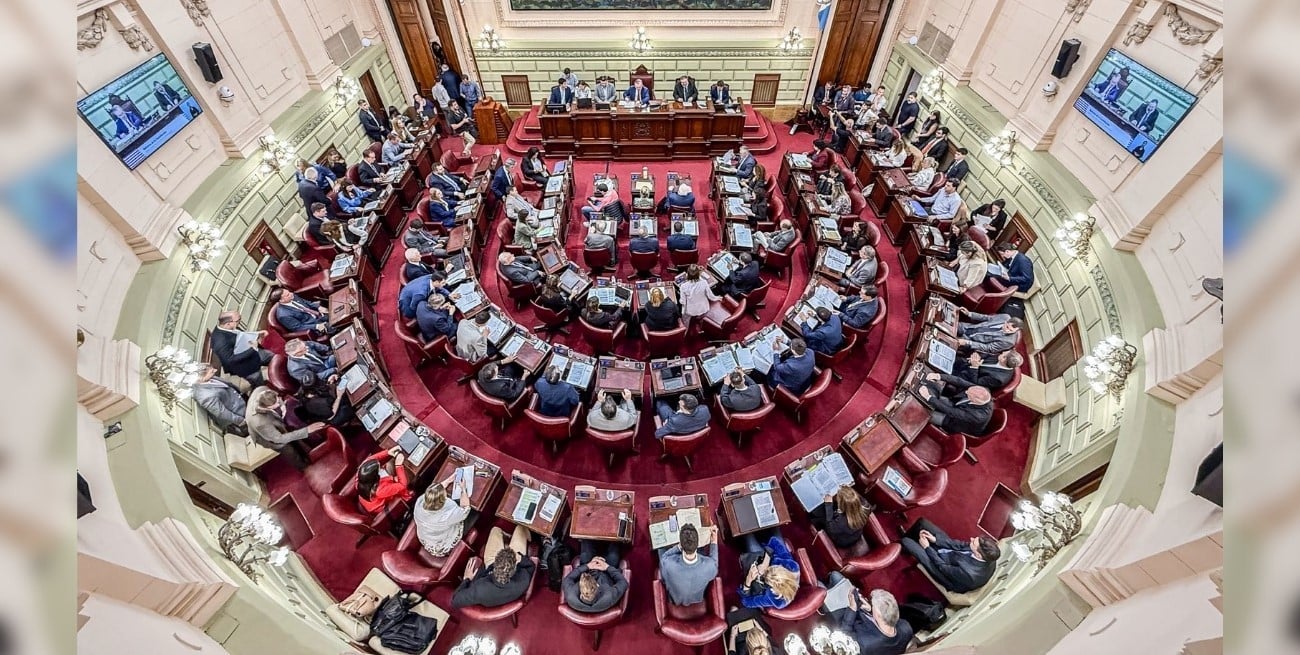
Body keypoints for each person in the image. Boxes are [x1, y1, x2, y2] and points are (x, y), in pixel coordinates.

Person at [900, 518, 999, 593]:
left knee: (907, 542)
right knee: (922, 523)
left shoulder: (968, 573)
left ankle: (902, 545)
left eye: (973, 542)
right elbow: (959, 545)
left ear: (978, 554)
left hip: (945, 573)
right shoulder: (989, 554)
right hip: (953, 558)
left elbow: (942, 567)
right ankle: (909, 537)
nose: (971, 539)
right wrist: (935, 539)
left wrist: (927, 547)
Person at [451, 524, 535, 609]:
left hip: (489, 575)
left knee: (495, 530)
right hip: (508, 568)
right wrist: (520, 558)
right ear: (514, 568)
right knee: (520, 527)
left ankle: (507, 540)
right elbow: (530, 566)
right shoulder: (522, 581)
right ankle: (527, 539)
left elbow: (455, 601)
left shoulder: (479, 590)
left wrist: (466, 579)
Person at [245, 387, 322, 469]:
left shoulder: (262, 389)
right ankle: (303, 467)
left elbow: (277, 399)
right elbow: (279, 439)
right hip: (267, 437)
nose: (279, 404)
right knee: (289, 450)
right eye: (276, 405)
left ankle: (306, 454)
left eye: (278, 401)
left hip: (273, 420)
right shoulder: (260, 423)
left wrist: (282, 406)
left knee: (292, 437)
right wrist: (306, 430)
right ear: (268, 407)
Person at [828, 586, 913, 655]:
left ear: (878, 615)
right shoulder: (906, 628)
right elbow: (886, 616)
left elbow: (844, 636)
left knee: (830, 583)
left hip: (840, 622)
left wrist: (852, 608)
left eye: (873, 605)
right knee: (837, 577)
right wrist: (870, 610)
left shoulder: (865, 643)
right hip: (861, 615)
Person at [658, 523, 719, 605]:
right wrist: (714, 540)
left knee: (660, 547)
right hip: (697, 599)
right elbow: (714, 562)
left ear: (681, 545)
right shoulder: (710, 566)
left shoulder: (668, 564)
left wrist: (678, 547)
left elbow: (664, 557)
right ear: (697, 544)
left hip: (676, 600)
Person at [562, 540, 629, 613]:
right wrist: (607, 567)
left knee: (585, 547)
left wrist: (588, 566)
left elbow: (568, 579)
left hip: (589, 569)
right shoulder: (609, 596)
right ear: (597, 585)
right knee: (613, 554)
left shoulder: (571, 595)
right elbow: (623, 582)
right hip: (606, 573)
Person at [737, 532, 800, 610]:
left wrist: (748, 581)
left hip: (756, 563)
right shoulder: (792, 567)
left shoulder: (775, 600)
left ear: (774, 589)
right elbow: (774, 541)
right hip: (769, 556)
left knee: (748, 535)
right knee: (776, 533)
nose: (764, 572)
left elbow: (746, 602)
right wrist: (765, 563)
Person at [413, 476, 472, 557]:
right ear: (441, 502)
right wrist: (463, 489)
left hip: (427, 539)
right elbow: (465, 509)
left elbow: (433, 493)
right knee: (473, 514)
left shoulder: (420, 502)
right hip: (441, 546)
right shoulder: (445, 517)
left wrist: (448, 480)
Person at [210, 311, 272, 384]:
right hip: (245, 366)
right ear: (228, 323)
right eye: (238, 321)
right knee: (258, 381)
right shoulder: (220, 341)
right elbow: (230, 360)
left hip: (252, 353)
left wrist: (257, 333)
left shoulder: (229, 326)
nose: (239, 322)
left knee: (272, 357)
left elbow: (241, 334)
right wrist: (252, 349)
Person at [927, 350, 1022, 394]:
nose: (1002, 352)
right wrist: (977, 357)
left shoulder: (998, 379)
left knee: (935, 368)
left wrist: (974, 367)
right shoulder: (1000, 358)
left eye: (1004, 354)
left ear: (1004, 360)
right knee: (944, 354)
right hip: (967, 364)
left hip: (965, 378)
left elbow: (975, 383)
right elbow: (986, 356)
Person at [918, 381, 994, 435]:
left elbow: (951, 412)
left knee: (922, 413)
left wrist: (928, 397)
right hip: (957, 408)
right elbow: (960, 381)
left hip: (953, 423)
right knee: (936, 396)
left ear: (975, 400)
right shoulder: (983, 392)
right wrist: (939, 376)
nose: (966, 392)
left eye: (968, 394)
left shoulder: (978, 416)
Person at [192, 366, 248, 435]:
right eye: (212, 371)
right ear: (203, 377)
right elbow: (222, 413)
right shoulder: (206, 397)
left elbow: (228, 385)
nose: (215, 370)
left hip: (240, 400)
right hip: (239, 414)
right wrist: (241, 421)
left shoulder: (209, 378)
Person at [812, 487, 870, 551]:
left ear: (842, 506)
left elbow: (830, 527)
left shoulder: (841, 522)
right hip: (855, 534)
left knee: (817, 514)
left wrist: (828, 504)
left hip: (843, 541)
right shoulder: (865, 506)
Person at [956, 308, 1023, 355]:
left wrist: (968, 343)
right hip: (969, 327)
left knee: (952, 341)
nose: (1007, 330)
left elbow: (988, 348)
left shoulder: (1008, 342)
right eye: (1007, 327)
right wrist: (969, 314)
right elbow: (987, 318)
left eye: (1011, 331)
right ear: (1006, 322)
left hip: (971, 341)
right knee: (951, 321)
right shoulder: (1005, 317)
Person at [679, 264, 720, 332]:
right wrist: (718, 298)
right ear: (698, 274)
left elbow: (682, 301)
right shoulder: (704, 282)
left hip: (691, 311)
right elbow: (711, 296)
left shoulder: (683, 286)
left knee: (685, 316)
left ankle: (685, 330)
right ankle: (700, 325)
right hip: (703, 309)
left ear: (687, 275)